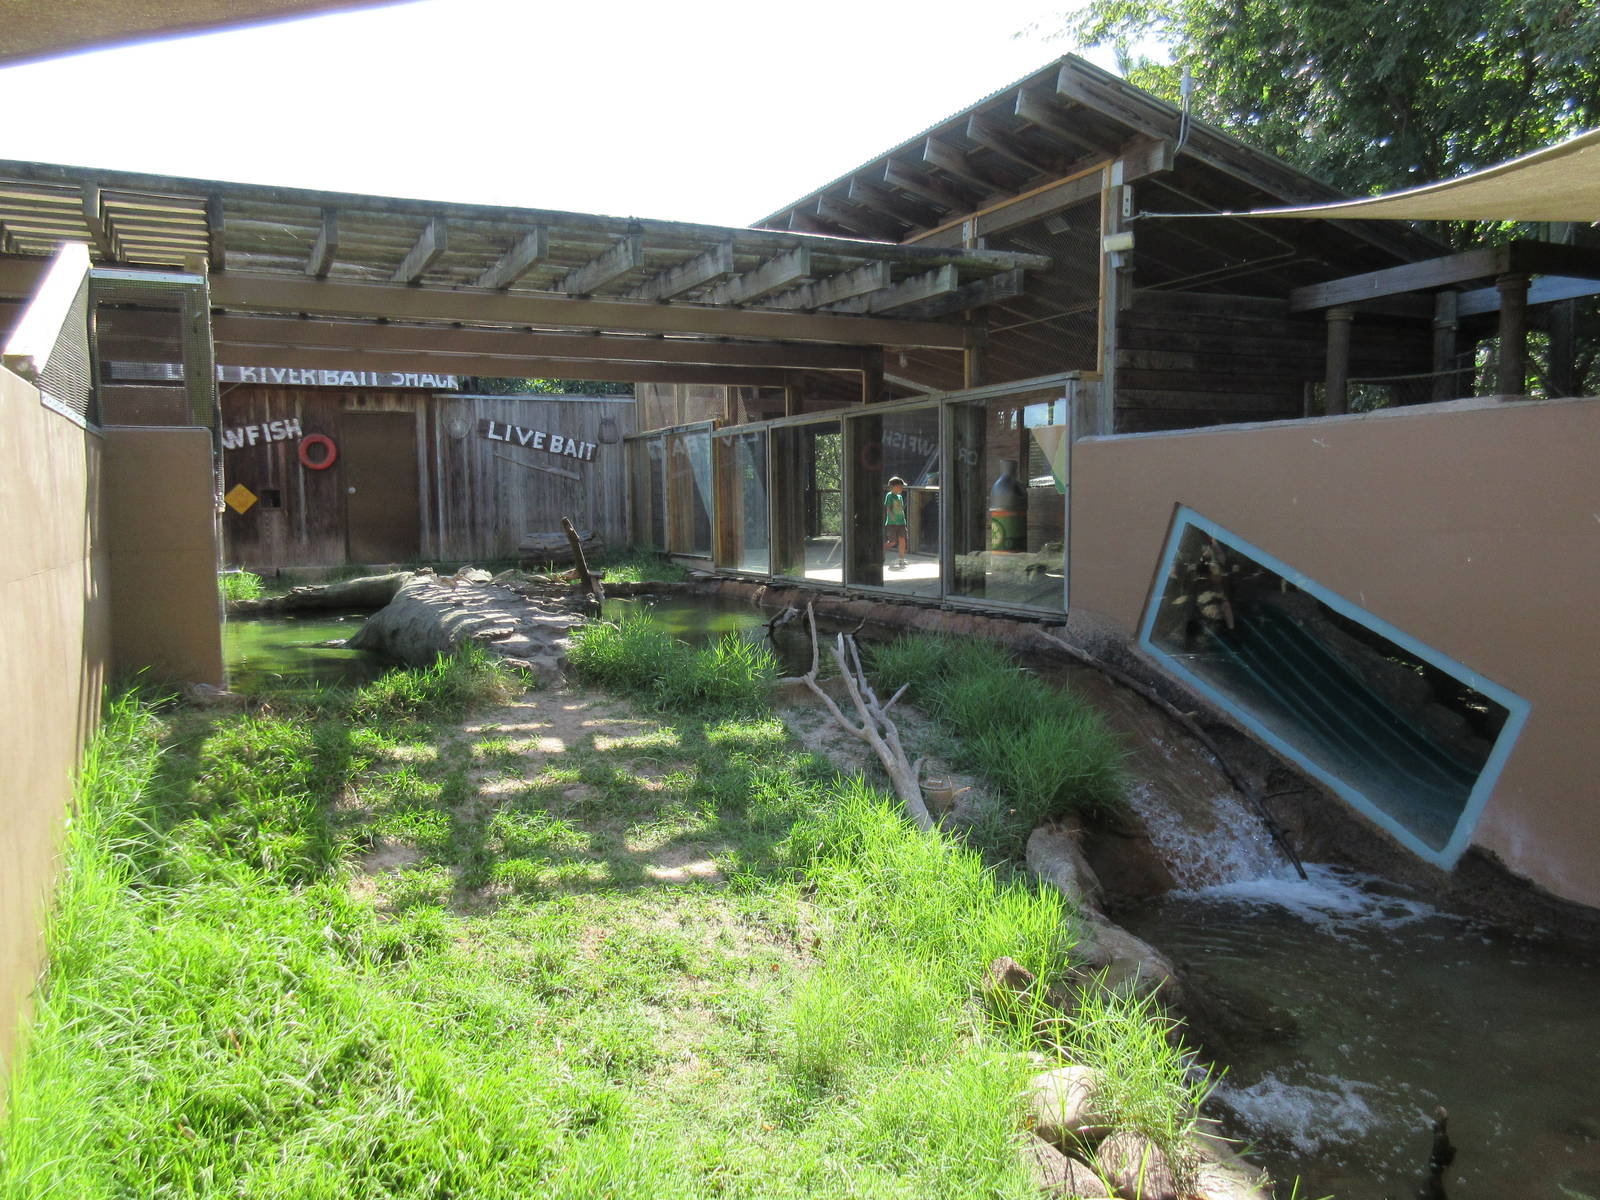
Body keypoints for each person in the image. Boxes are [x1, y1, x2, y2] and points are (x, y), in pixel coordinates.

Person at [883, 476, 908, 570]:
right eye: (900, 486)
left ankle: (901, 559)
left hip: (901, 523)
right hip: (891, 524)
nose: (901, 488)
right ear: (894, 487)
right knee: (892, 542)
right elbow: (888, 508)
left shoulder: (900, 497)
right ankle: (881, 551)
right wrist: (891, 516)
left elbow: (901, 509)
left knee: (902, 540)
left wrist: (903, 519)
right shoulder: (889, 495)